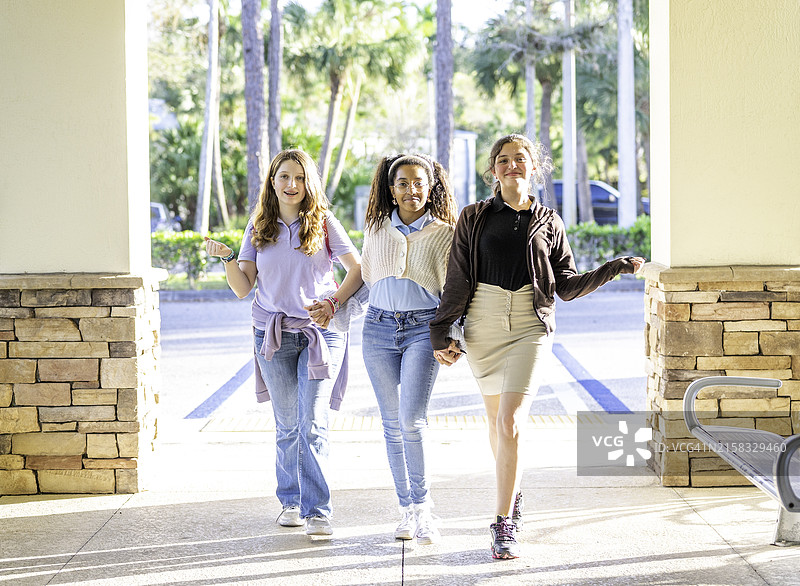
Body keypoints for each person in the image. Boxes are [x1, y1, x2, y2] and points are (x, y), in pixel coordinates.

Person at [429, 134, 645, 560]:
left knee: (509, 422)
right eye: (504, 160)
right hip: (483, 324)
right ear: (493, 170)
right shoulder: (473, 218)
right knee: (495, 426)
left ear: (534, 167)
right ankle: (514, 489)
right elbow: (458, 279)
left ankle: (503, 523)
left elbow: (564, 285)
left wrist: (612, 269)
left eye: (520, 159)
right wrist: (441, 331)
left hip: (530, 324)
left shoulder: (550, 221)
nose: (512, 166)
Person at [203, 148, 363, 537]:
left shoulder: (324, 222)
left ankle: (318, 510)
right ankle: (291, 502)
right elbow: (244, 288)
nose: (291, 185)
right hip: (271, 333)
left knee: (312, 422)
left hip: (319, 333)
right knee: (287, 425)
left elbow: (357, 268)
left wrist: (332, 302)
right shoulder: (259, 226)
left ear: (309, 183)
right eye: (284, 177)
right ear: (272, 181)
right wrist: (226, 259)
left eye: (299, 177)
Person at [360, 154, 458, 544]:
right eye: (402, 183)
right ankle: (405, 510)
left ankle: (423, 510)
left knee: (411, 422)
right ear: (391, 188)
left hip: (423, 329)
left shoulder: (444, 233)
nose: (411, 190)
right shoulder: (377, 227)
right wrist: (334, 303)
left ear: (431, 185)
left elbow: (454, 291)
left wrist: (455, 337)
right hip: (377, 329)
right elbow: (365, 275)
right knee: (390, 425)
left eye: (418, 182)